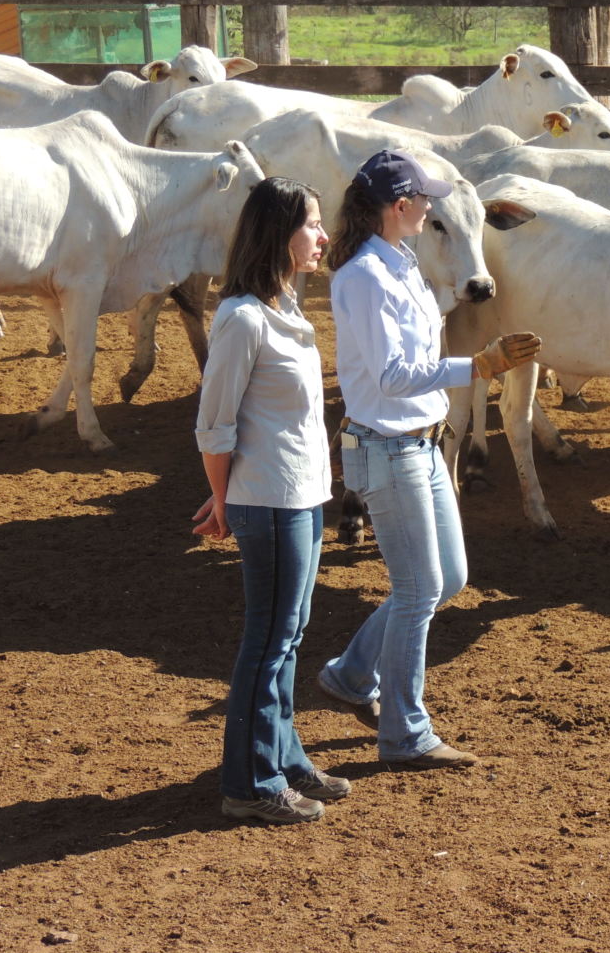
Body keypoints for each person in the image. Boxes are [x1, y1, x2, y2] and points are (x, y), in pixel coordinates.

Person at [317, 149, 539, 769]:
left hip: (420, 443)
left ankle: (352, 674)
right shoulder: (363, 276)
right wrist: (482, 365)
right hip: (389, 448)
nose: (433, 207)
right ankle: (405, 732)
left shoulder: (403, 265)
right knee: (417, 591)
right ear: (400, 206)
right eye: (425, 199)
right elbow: (391, 375)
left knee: (449, 581)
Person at [192, 176, 346, 825]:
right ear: (278, 233)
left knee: (291, 631)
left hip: (303, 494)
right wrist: (222, 499)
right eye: (312, 224)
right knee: (268, 637)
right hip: (269, 498)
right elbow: (214, 423)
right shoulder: (241, 318)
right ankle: (249, 781)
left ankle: (282, 755)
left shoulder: (283, 310)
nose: (323, 236)